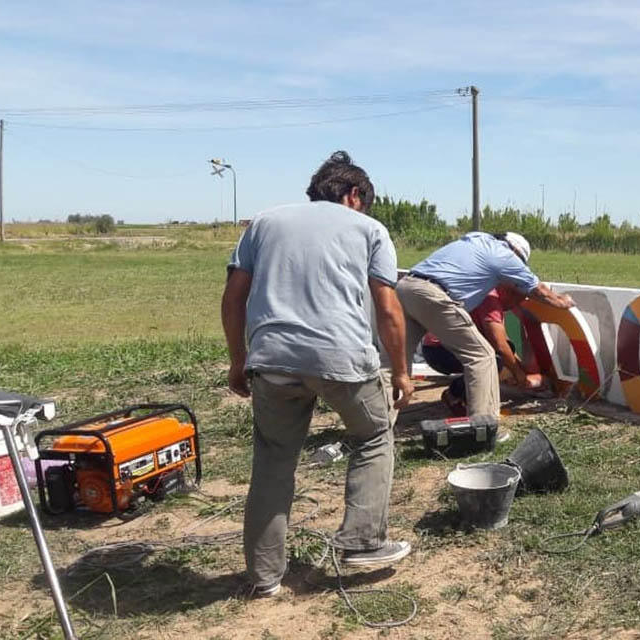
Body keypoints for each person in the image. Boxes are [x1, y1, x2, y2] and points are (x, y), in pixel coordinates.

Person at [221, 151, 414, 598]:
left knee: (273, 459)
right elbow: (387, 308)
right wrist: (401, 372)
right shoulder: (370, 229)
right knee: (373, 435)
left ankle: (265, 577)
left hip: (271, 360)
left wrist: (238, 360)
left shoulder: (264, 222)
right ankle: (363, 541)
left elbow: (233, 299)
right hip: (341, 359)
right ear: (353, 195)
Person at [396, 231, 574, 419]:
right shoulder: (501, 262)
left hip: (406, 286)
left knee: (394, 363)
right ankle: (482, 424)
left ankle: (376, 427)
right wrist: (563, 302)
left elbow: (504, 344)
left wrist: (520, 371)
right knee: (486, 359)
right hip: (438, 335)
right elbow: (501, 342)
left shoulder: (475, 242)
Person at [420, 284, 541, 415]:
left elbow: (505, 343)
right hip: (439, 350)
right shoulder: (490, 301)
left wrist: (519, 370)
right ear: (510, 292)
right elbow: (500, 346)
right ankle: (455, 395)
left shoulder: (491, 295)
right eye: (517, 301)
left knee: (499, 356)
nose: (514, 306)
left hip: (439, 348)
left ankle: (463, 395)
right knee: (491, 362)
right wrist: (519, 374)